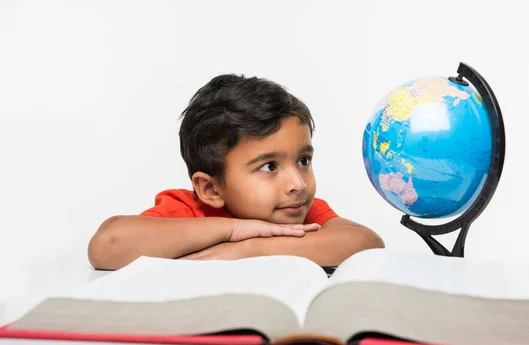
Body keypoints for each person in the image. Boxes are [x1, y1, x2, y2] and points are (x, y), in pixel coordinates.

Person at [88, 74, 384, 270]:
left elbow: (367, 245)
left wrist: (246, 252)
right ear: (211, 189)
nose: (297, 184)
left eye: (303, 161)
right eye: (269, 166)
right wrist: (234, 230)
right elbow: (108, 245)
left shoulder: (300, 214)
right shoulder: (188, 211)